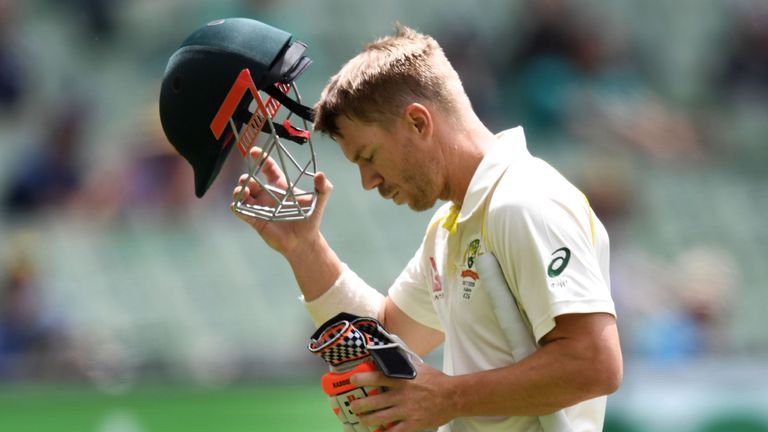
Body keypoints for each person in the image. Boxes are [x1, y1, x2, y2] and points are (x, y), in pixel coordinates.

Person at [232, 25, 622, 432]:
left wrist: (448, 397)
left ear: (418, 122)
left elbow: (594, 362)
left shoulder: (524, 201)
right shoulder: (450, 225)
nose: (368, 182)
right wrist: (304, 247)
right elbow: (388, 337)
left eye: (369, 156)